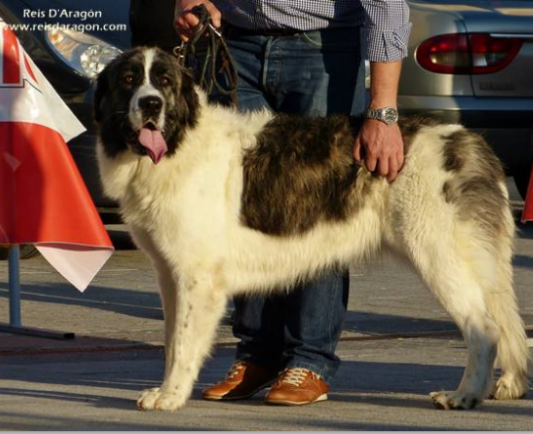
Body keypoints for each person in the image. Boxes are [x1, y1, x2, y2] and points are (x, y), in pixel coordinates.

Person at [171, 0, 411, 406]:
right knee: (241, 208)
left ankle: (309, 360)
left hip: (322, 48)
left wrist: (383, 111)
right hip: (235, 43)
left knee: (317, 209)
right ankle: (256, 356)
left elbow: (386, 4)